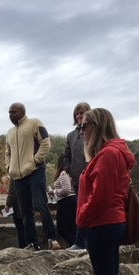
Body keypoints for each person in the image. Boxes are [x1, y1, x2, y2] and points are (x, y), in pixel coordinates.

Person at [77, 108, 136, 275]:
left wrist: (81, 217)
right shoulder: (113, 152)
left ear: (98, 126)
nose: (82, 131)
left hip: (103, 224)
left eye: (85, 126)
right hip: (112, 223)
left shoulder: (108, 154)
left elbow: (100, 196)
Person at [5, 102, 61, 251]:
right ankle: (32, 243)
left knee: (40, 204)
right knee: (25, 211)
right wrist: (8, 167)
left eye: (14, 112)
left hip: (35, 171)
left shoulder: (35, 123)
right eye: (9, 113)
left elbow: (45, 143)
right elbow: (8, 152)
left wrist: (35, 161)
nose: (11, 115)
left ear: (23, 111)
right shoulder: (10, 132)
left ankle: (52, 238)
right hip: (18, 176)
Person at [63, 102, 91, 251]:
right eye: (77, 113)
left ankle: (87, 241)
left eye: (82, 112)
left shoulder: (95, 131)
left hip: (92, 177)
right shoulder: (71, 135)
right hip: (77, 178)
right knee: (80, 209)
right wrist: (69, 169)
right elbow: (66, 155)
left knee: (90, 208)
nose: (80, 115)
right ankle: (80, 242)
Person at [49, 154, 77, 247]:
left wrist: (55, 191)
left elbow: (66, 189)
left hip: (66, 202)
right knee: (71, 227)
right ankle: (75, 244)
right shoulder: (70, 173)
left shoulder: (63, 174)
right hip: (70, 201)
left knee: (62, 228)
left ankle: (76, 245)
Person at [4, 178, 27, 248]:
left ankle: (23, 247)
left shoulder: (14, 174)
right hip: (28, 206)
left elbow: (12, 192)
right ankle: (32, 244)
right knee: (28, 226)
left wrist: (8, 204)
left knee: (20, 229)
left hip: (18, 207)